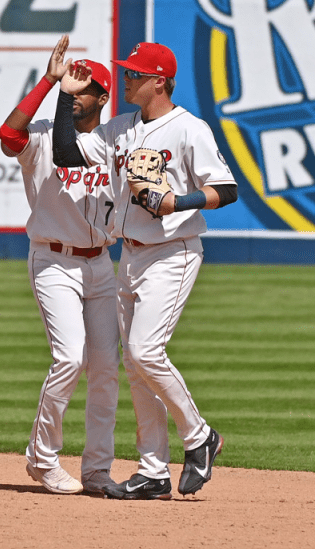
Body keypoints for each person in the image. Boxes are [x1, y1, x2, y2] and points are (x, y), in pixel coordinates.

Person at [52, 42, 237, 499]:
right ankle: (153, 470)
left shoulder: (189, 129)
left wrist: (178, 201)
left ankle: (199, 437)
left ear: (159, 81)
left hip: (173, 252)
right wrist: (61, 93)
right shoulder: (119, 127)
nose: (126, 80)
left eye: (135, 74)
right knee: (136, 366)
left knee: (146, 351)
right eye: (127, 72)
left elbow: (226, 189)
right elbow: (64, 153)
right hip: (130, 255)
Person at [0, 36, 119, 495]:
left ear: (102, 98)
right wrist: (51, 82)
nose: (75, 89)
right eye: (72, 82)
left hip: (101, 264)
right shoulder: (45, 132)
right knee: (70, 357)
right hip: (53, 259)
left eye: (84, 86)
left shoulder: (114, 142)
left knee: (106, 367)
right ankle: (42, 458)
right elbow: (8, 137)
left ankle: (97, 468)